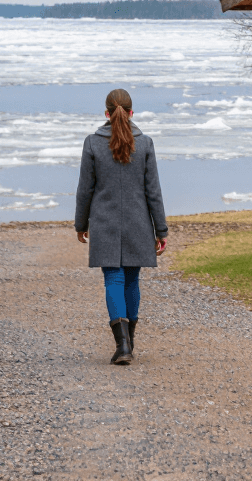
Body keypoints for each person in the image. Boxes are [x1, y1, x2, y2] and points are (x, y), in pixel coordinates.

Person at [75, 88, 168, 366]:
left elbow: (85, 190)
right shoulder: (146, 143)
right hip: (139, 222)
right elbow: (154, 192)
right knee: (131, 279)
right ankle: (129, 342)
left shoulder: (92, 143)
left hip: (104, 223)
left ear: (106, 113)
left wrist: (81, 224)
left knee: (113, 278)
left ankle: (122, 344)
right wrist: (160, 230)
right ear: (131, 113)